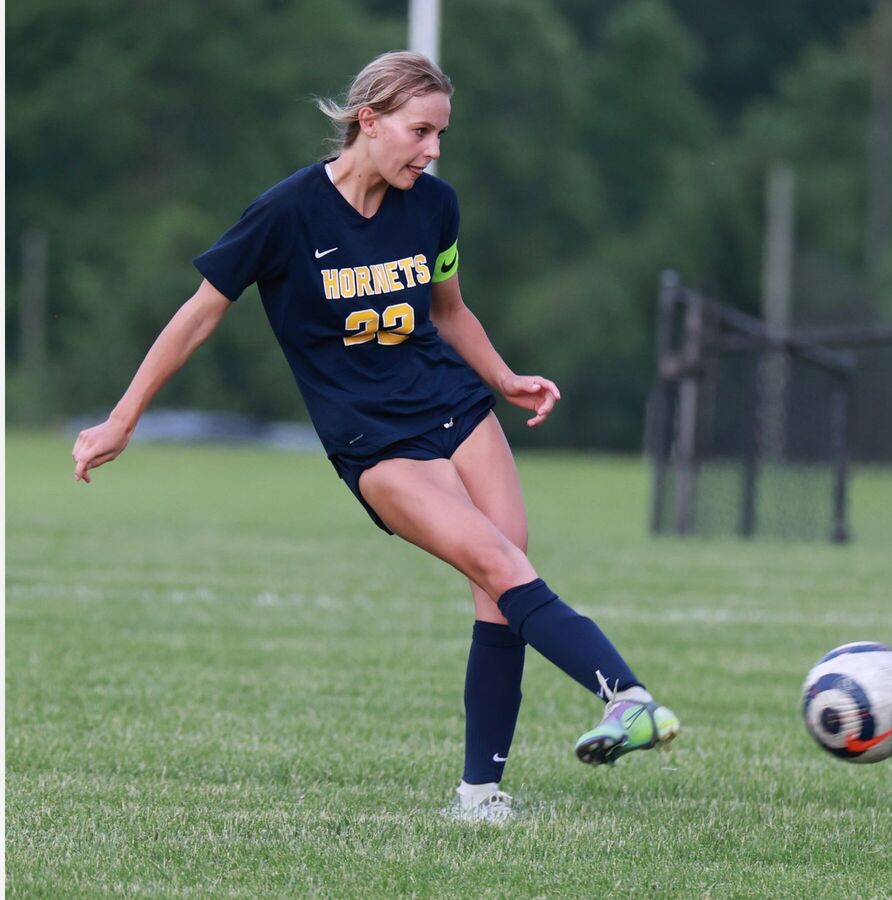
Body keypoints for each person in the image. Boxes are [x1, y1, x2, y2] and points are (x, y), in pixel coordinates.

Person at [71, 50, 679, 823]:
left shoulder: (434, 205)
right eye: (420, 131)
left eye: (440, 135)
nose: (432, 150)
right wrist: (123, 418)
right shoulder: (287, 212)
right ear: (370, 119)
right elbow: (198, 316)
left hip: (455, 407)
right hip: (373, 443)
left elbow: (449, 310)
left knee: (502, 593)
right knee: (497, 562)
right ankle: (628, 698)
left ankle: (480, 798)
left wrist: (503, 377)